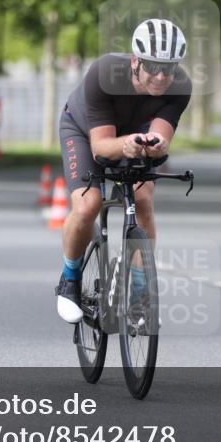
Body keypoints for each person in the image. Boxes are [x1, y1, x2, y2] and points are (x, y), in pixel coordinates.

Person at [54, 19, 192, 323]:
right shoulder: (104, 74)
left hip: (134, 134)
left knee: (143, 199)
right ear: (135, 61)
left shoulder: (180, 86)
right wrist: (126, 144)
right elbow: (101, 147)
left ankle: (140, 293)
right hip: (83, 130)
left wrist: (157, 146)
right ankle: (69, 280)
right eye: (152, 66)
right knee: (89, 203)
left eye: (168, 69)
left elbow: (161, 135)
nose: (160, 76)